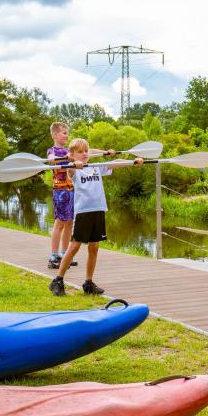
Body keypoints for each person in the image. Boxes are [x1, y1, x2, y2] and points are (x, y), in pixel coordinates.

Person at [49, 138, 143, 296]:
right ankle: (57, 280)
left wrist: (133, 161)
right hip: (83, 213)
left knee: (94, 248)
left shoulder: (96, 167)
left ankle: (88, 283)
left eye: (86, 151)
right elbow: (68, 167)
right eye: (80, 152)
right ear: (72, 154)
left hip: (98, 211)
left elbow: (115, 162)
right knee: (74, 247)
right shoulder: (73, 169)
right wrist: (74, 164)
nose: (84, 154)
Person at [47, 122, 78, 270]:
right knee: (59, 223)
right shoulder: (52, 150)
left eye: (67, 133)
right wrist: (63, 158)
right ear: (55, 135)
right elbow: (52, 158)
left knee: (69, 223)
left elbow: (72, 171)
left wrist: (73, 161)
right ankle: (53, 256)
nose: (67, 135)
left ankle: (65, 254)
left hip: (71, 189)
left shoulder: (68, 152)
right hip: (60, 191)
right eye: (64, 133)